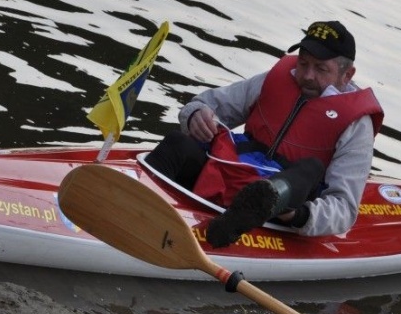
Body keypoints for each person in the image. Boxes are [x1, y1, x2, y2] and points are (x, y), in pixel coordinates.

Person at [145, 20, 384, 248]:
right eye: (303, 63)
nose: (308, 75)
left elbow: (344, 208)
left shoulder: (356, 124)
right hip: (230, 172)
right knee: (178, 142)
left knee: (310, 169)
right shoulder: (277, 78)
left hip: (281, 205)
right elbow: (209, 103)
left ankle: (234, 223)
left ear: (347, 75)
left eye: (321, 68)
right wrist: (196, 114)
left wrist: (299, 215)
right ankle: (139, 204)